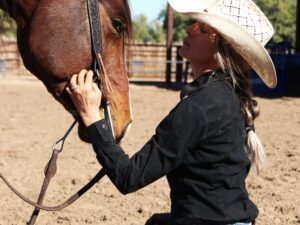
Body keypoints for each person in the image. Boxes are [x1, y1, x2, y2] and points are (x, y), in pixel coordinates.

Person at [66, 0, 277, 224]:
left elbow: (129, 177)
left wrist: (92, 117)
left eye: (203, 29)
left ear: (221, 48)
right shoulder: (228, 96)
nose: (189, 28)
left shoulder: (200, 105)